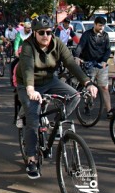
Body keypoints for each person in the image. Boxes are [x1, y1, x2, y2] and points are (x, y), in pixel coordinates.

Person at [16, 15, 97, 179]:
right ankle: (31, 159)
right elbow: (27, 69)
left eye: (48, 32)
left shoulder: (57, 44)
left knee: (74, 96)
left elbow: (71, 63)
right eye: (41, 33)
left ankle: (56, 123)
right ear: (34, 33)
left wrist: (88, 83)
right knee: (33, 117)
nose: (45, 36)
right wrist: (30, 89)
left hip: (49, 80)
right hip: (28, 84)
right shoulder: (27, 46)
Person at [74, 16, 114, 119]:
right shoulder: (87, 34)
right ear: (95, 24)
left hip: (101, 65)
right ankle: (88, 104)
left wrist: (105, 60)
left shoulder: (105, 35)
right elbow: (80, 46)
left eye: (103, 26)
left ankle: (109, 111)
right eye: (100, 25)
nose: (102, 28)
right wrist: (77, 57)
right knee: (90, 88)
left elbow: (108, 50)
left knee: (105, 87)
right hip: (89, 64)